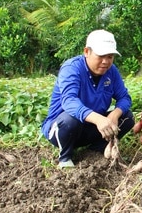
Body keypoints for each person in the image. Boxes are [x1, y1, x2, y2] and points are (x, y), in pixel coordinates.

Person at [41, 29, 134, 168]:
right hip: (63, 129)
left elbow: (124, 98)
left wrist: (115, 114)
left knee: (127, 117)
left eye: (110, 57)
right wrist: (98, 119)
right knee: (70, 120)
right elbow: (69, 101)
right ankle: (65, 157)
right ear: (86, 52)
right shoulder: (72, 68)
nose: (105, 61)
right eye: (101, 56)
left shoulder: (111, 71)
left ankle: (95, 149)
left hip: (91, 128)